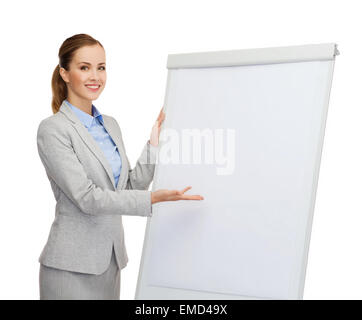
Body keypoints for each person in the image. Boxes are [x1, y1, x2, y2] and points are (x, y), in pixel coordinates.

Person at [36, 33, 204, 300]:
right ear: (65, 73)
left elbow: (127, 187)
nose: (95, 76)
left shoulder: (110, 125)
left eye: (101, 67)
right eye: (84, 67)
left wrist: (153, 144)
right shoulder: (54, 129)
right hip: (70, 268)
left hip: (110, 263)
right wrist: (151, 199)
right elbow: (87, 198)